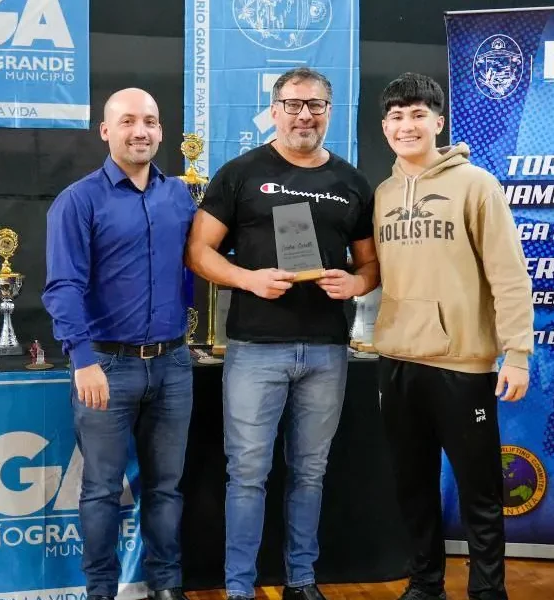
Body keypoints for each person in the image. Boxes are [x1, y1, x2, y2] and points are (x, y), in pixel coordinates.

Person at [185, 67, 380, 600]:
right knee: (248, 473)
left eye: (315, 105)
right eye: (293, 105)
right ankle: (239, 588)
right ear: (274, 111)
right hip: (255, 349)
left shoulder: (351, 182)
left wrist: (355, 283)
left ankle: (302, 580)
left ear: (329, 112)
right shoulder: (241, 173)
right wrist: (247, 279)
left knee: (311, 473)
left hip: (327, 350)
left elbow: (371, 265)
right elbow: (198, 251)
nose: (304, 115)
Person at [371, 73, 534, 600]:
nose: (407, 125)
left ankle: (487, 591)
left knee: (480, 492)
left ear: (439, 122)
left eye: (418, 115)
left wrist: (518, 353)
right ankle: (426, 585)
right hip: (398, 360)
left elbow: (509, 274)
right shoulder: (383, 194)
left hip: (461, 365)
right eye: (397, 116)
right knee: (412, 486)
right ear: (384, 127)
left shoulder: (476, 185)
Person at [42, 88, 196, 600]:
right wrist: (82, 360)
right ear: (106, 131)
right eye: (128, 121)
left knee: (166, 488)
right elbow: (62, 287)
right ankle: (101, 591)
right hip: (105, 366)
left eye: (150, 121)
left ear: (161, 131)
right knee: (102, 490)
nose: (140, 131)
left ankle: (166, 586)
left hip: (173, 365)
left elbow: (208, 258)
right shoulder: (78, 200)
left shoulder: (179, 197)